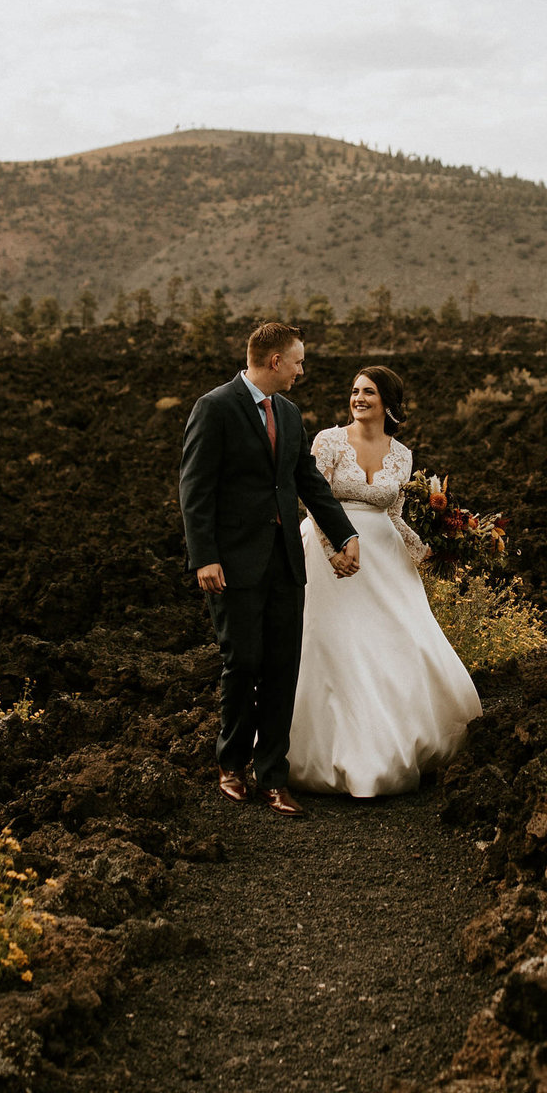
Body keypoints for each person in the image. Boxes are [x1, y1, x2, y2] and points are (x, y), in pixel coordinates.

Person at [180, 322, 361, 816]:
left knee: (283, 667)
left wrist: (344, 534)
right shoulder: (215, 407)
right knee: (243, 662)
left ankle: (273, 776)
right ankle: (232, 764)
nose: (303, 370)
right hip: (233, 564)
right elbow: (195, 490)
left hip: (286, 560)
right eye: (299, 361)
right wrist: (205, 557)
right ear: (275, 361)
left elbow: (306, 480)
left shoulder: (289, 412)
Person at [288, 366, 482, 797]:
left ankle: (401, 741)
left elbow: (393, 514)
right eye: (355, 390)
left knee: (400, 640)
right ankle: (335, 755)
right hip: (330, 553)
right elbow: (311, 497)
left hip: (385, 555)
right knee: (337, 645)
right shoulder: (329, 440)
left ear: (388, 403)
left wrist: (426, 550)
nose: (358, 398)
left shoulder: (402, 454)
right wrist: (333, 547)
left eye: (369, 392)